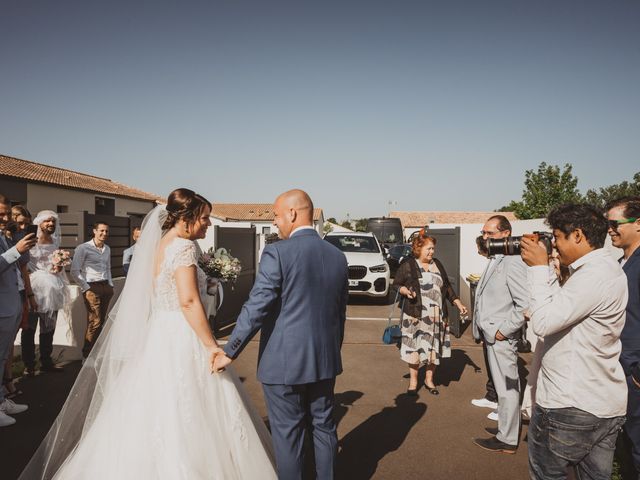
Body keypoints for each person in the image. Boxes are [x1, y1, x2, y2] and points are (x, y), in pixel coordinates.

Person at [20, 188, 276, 478]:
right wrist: (212, 346)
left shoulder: (161, 245)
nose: (207, 223)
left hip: (160, 332)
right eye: (204, 218)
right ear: (187, 217)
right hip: (181, 332)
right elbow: (188, 300)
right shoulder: (183, 246)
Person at [212, 189, 349, 480]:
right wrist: (331, 350)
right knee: (324, 428)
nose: (274, 222)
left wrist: (229, 350)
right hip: (325, 361)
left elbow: (258, 305)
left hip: (284, 364)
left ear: (292, 213)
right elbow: (340, 313)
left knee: (289, 437)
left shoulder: (277, 252)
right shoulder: (337, 256)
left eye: (275, 215)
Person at [521, 203, 627, 479]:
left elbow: (543, 323)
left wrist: (537, 268)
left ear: (577, 235)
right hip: (601, 402)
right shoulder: (604, 269)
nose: (554, 245)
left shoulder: (593, 275)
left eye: (557, 237)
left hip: (570, 405)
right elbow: (563, 312)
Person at [472, 214, 528, 454]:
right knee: (502, 388)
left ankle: (507, 439)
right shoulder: (498, 258)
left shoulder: (513, 261)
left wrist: (502, 332)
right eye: (484, 233)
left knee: (507, 389)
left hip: (500, 337)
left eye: (490, 233)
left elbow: (524, 304)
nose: (485, 237)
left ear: (506, 234)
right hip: (491, 334)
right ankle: (505, 429)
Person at [393, 232, 468, 396]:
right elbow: (397, 284)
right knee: (414, 348)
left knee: (432, 348)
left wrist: (458, 302)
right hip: (414, 315)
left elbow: (447, 287)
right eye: (429, 248)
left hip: (435, 316)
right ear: (418, 248)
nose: (432, 252)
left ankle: (429, 380)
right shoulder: (409, 265)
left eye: (433, 248)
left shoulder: (437, 264)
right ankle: (413, 382)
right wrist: (405, 291)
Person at [606, 196, 640, 478]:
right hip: (619, 366)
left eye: (615, 223)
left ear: (638, 223)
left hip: (634, 370)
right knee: (625, 441)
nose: (610, 229)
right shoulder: (620, 262)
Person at [0, 194, 36, 427]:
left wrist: (20, 245)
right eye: (1, 214)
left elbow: (18, 266)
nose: (5, 218)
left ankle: (2, 400)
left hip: (11, 304)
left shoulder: (4, 235)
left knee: (3, 356)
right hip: (2, 307)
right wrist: (15, 250)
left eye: (6, 213)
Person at [23, 210, 70, 374]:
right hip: (35, 287)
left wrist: (59, 264)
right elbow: (24, 264)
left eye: (53, 222)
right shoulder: (30, 240)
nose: (50, 224)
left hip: (53, 288)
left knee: (48, 327)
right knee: (29, 328)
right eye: (47, 222)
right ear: (39, 223)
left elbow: (55, 262)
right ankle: (29, 365)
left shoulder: (55, 240)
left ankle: (46, 361)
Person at [71, 221, 114, 358]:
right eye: (101, 230)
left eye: (106, 231)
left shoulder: (107, 248)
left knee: (101, 321)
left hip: (105, 286)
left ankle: (97, 353)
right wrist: (86, 287)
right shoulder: (83, 248)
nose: (104, 233)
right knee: (94, 322)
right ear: (94, 231)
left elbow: (108, 267)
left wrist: (110, 284)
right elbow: (74, 270)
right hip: (91, 287)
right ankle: (87, 355)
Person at [470, 234, 499, 415]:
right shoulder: (492, 262)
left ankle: (502, 407)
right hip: (487, 327)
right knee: (490, 364)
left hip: (496, 328)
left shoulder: (505, 263)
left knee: (501, 371)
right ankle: (492, 396)